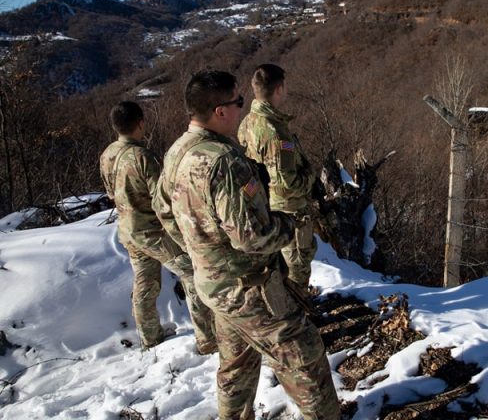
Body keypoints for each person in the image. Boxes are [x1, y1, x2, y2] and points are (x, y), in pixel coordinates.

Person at [152, 70, 339, 420]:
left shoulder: (177, 151)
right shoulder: (223, 161)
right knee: (306, 357)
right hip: (247, 289)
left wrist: (202, 252)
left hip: (215, 285)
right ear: (220, 111)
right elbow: (252, 237)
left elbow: (164, 211)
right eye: (237, 102)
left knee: (237, 365)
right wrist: (288, 225)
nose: (243, 107)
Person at [99, 101, 216, 353]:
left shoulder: (107, 154)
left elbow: (110, 193)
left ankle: (150, 337)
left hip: (128, 231)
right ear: (140, 123)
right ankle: (208, 338)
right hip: (154, 231)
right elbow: (162, 198)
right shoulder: (143, 157)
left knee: (145, 282)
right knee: (192, 274)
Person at [238, 64, 317, 291]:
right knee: (297, 265)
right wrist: (310, 177)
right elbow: (287, 182)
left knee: (278, 268)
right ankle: (299, 314)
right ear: (279, 89)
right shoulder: (275, 131)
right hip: (288, 209)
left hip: (263, 205)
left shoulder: (246, 123)